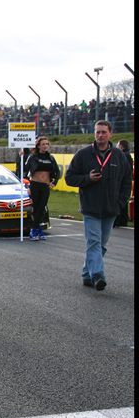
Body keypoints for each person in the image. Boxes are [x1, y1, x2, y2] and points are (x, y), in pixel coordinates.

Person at [65, 120, 132, 291]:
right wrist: (87, 178)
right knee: (94, 242)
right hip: (91, 208)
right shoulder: (83, 154)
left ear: (110, 134)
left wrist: (121, 202)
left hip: (111, 208)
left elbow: (126, 182)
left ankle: (88, 274)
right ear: (94, 134)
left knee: (101, 244)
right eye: (97, 132)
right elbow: (69, 178)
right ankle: (98, 275)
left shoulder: (119, 156)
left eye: (103, 132)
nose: (100, 135)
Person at [25, 136, 61, 240]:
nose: (45, 146)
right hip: (35, 184)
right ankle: (36, 230)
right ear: (38, 145)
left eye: (47, 144)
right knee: (35, 207)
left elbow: (57, 172)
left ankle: (37, 228)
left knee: (42, 207)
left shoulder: (50, 158)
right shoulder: (33, 157)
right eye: (43, 144)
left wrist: (54, 183)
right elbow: (25, 168)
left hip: (45, 185)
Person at [113, 139, 133, 227]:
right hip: (124, 180)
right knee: (123, 201)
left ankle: (119, 220)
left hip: (122, 181)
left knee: (119, 200)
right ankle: (123, 219)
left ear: (121, 146)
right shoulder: (127, 155)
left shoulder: (123, 155)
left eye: (118, 144)